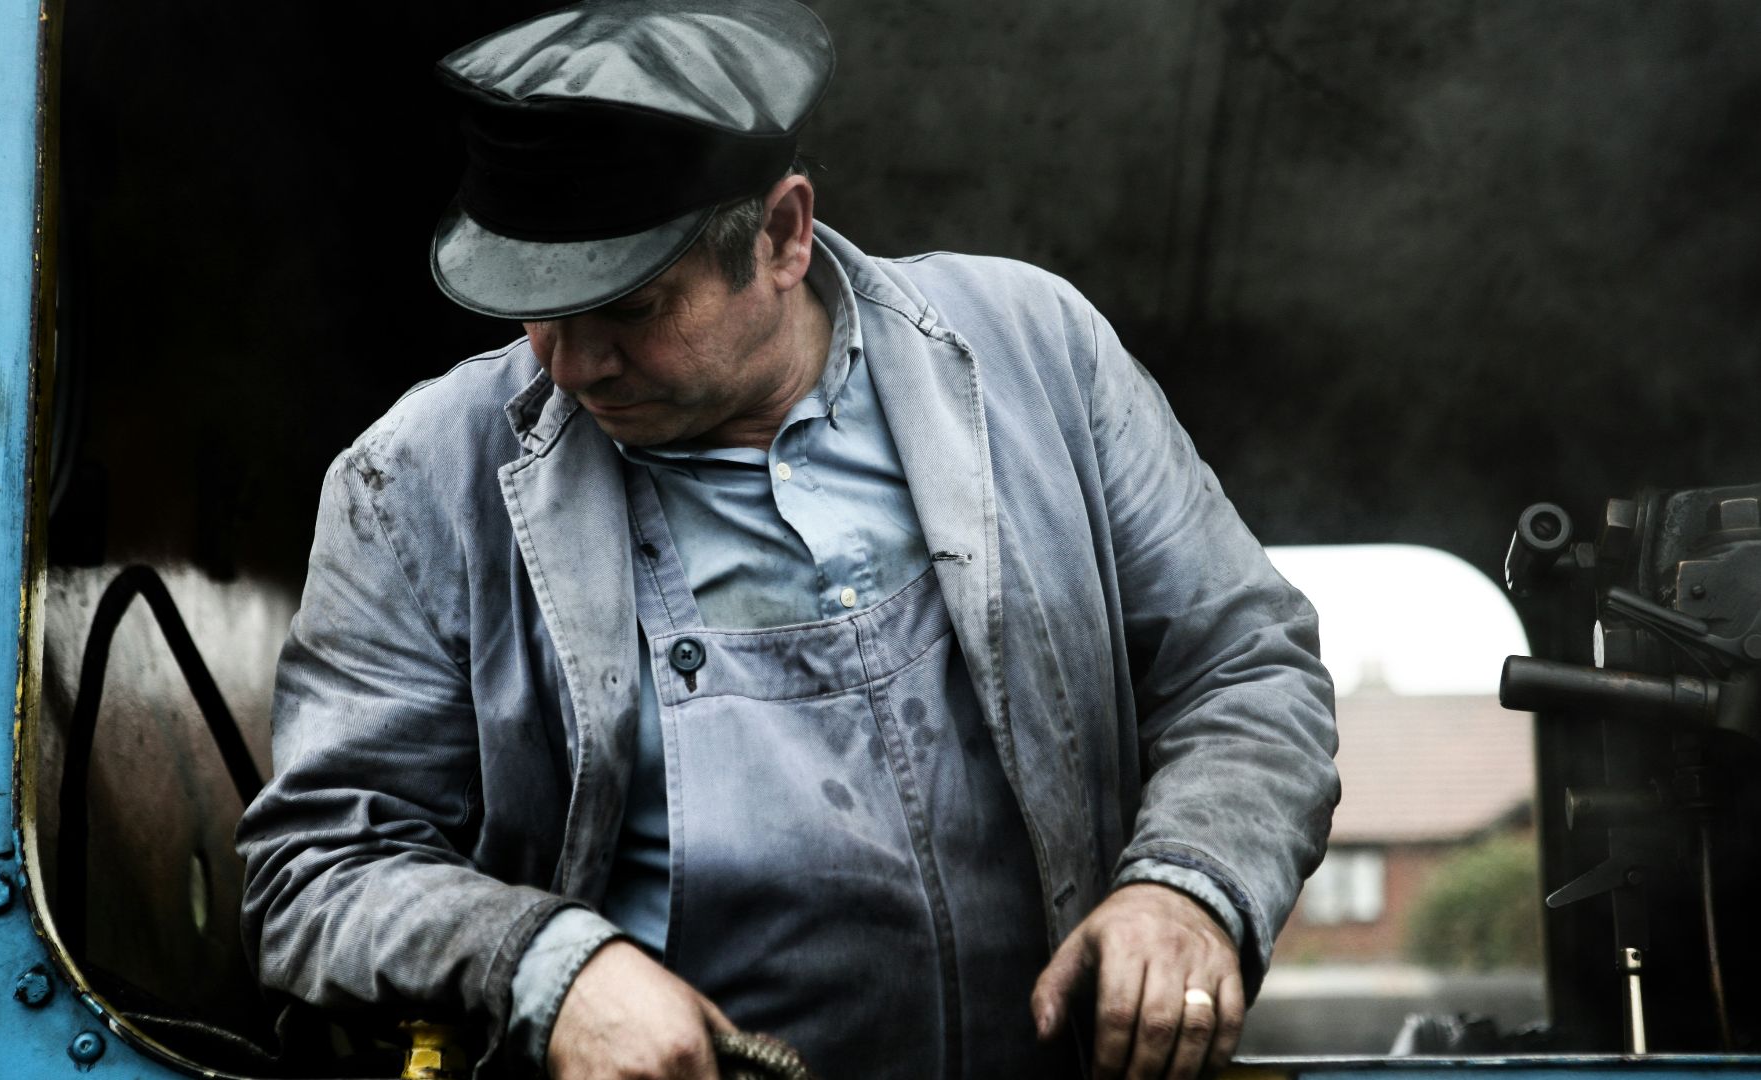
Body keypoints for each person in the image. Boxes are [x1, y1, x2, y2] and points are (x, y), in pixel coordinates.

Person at [236, 2, 1340, 1078]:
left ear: (781, 234)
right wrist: (550, 966)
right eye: (538, 313)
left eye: (628, 307)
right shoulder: (419, 477)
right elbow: (317, 869)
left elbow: (1244, 671)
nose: (570, 367)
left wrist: (1187, 883)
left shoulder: (1037, 354)